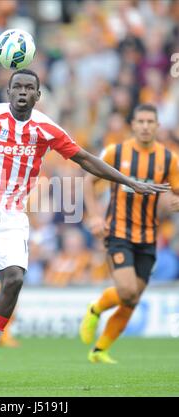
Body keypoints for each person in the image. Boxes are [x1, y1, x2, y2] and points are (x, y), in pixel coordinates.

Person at [0, 70, 169, 383]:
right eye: (17, 87)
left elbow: (85, 159)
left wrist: (129, 182)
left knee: (14, 279)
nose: (22, 92)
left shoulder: (46, 128)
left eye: (29, 88)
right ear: (8, 90)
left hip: (14, 210)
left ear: (38, 96)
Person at [80, 103, 179, 364]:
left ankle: (99, 351)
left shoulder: (169, 159)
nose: (145, 126)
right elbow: (89, 180)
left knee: (132, 300)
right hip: (119, 232)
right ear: (133, 125)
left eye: (150, 122)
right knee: (126, 290)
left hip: (148, 237)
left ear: (157, 126)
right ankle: (96, 308)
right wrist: (94, 216)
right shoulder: (116, 152)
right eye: (141, 121)